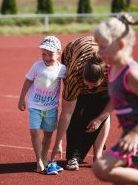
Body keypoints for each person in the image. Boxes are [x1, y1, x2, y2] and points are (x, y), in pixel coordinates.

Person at [92, 13, 138, 184]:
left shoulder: (132, 74)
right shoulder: (113, 69)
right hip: (130, 137)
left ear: (121, 44)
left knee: (101, 167)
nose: (99, 53)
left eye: (103, 47)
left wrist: (135, 134)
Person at [51, 36, 112, 171]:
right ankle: (73, 156)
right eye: (87, 84)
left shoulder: (113, 72)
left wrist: (99, 119)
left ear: (103, 77)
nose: (90, 89)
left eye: (94, 86)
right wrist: (58, 142)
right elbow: (67, 113)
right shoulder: (74, 75)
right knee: (76, 110)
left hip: (101, 50)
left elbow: (115, 100)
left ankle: (98, 155)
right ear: (82, 77)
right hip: (74, 50)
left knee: (101, 109)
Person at [18, 36, 66, 174]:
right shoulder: (37, 66)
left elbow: (68, 85)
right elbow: (27, 81)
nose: (46, 57)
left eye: (50, 54)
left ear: (58, 53)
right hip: (35, 106)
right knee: (34, 131)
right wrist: (21, 99)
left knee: (48, 134)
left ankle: (44, 157)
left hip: (51, 108)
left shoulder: (62, 69)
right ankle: (39, 160)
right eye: (43, 54)